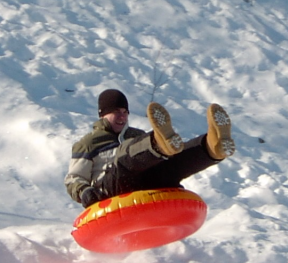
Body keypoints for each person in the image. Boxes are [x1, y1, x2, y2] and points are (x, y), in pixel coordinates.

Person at [65, 89, 236, 208]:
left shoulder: (136, 134)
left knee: (169, 165)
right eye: (117, 111)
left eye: (125, 112)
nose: (122, 116)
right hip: (109, 192)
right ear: (103, 114)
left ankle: (211, 147)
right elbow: (74, 178)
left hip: (144, 188)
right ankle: (158, 144)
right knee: (124, 157)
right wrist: (85, 192)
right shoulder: (88, 143)